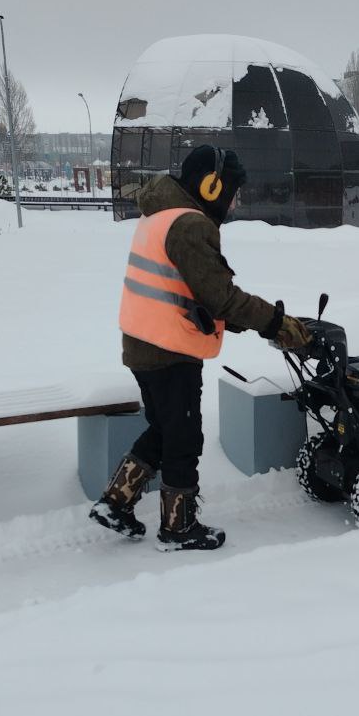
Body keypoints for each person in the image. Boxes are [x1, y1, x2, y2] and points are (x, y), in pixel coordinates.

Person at [90, 144, 311, 551]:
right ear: (210, 187)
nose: (232, 201)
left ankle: (115, 503)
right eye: (230, 191)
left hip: (144, 344)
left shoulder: (159, 216)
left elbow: (184, 292)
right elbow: (220, 296)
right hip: (169, 351)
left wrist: (235, 321)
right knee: (185, 438)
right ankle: (178, 528)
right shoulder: (190, 225)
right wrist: (274, 323)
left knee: (165, 428)